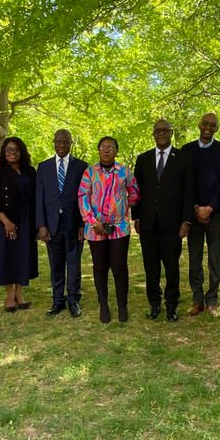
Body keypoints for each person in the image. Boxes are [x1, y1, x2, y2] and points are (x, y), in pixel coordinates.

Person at [133, 119, 194, 321]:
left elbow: (188, 193)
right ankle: (154, 304)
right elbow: (136, 192)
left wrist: (186, 220)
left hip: (172, 224)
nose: (161, 133)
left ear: (171, 132)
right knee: (151, 267)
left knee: (171, 267)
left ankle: (172, 305)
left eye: (165, 130)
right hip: (148, 224)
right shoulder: (143, 159)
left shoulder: (183, 158)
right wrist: (136, 217)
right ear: (153, 134)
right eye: (157, 131)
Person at [78, 136, 139, 323]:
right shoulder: (90, 172)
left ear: (116, 151)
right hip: (95, 228)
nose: (106, 150)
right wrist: (92, 220)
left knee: (119, 266)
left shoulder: (124, 171)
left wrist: (122, 207)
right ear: (98, 150)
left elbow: (134, 192)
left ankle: (122, 305)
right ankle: (103, 305)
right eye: (103, 147)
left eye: (110, 147)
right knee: (100, 267)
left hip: (119, 227)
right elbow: (82, 196)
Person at [180, 112, 220, 315]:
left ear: (217, 128)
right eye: (205, 123)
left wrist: (210, 207)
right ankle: (197, 299)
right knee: (194, 258)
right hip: (193, 214)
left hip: (215, 213)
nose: (208, 127)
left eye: (213, 125)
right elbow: (185, 182)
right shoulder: (187, 150)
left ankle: (212, 300)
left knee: (214, 259)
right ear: (199, 125)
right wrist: (195, 207)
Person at [36, 129, 88, 317]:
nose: (61, 145)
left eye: (65, 142)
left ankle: (73, 299)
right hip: (51, 225)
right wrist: (41, 225)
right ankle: (58, 301)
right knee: (55, 264)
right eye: (58, 141)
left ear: (71, 143)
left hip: (74, 225)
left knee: (73, 264)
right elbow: (39, 198)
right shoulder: (44, 167)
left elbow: (85, 198)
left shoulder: (81, 166)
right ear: (53, 142)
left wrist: (83, 224)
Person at [0, 136, 39, 311]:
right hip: (4, 221)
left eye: (15, 150)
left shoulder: (30, 171)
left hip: (26, 220)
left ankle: (19, 294)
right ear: (3, 152)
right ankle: (9, 297)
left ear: (21, 152)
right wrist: (6, 222)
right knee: (8, 258)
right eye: (8, 150)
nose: (12, 153)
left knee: (23, 257)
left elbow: (36, 197)